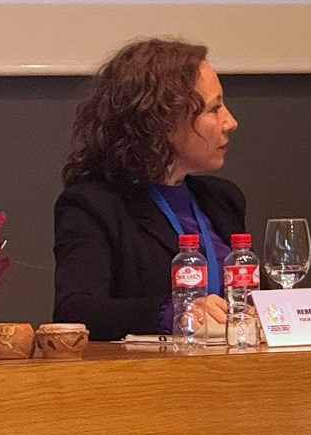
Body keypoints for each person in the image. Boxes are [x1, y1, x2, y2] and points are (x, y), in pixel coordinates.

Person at [53, 39, 242, 340]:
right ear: (165, 122)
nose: (230, 122)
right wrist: (177, 313)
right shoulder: (94, 205)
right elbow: (76, 311)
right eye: (214, 109)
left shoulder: (223, 199)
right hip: (151, 379)